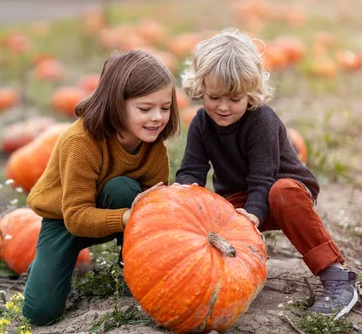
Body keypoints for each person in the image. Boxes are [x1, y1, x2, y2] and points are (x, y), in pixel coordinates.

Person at [174, 28, 358, 319]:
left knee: (281, 193)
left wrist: (254, 214)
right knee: (208, 222)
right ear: (200, 89)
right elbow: (191, 169)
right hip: (239, 196)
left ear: (251, 93)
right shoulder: (200, 121)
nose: (222, 107)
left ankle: (336, 276)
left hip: (284, 190)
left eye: (234, 99)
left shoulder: (261, 120)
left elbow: (262, 178)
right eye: (214, 97)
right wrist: (184, 197)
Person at [22, 49, 180, 326]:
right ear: (116, 104)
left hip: (115, 210)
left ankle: (131, 268)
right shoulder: (81, 142)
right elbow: (76, 217)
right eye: (145, 109)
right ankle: (50, 262)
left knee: (125, 190)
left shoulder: (155, 148)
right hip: (65, 220)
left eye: (165, 108)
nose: (157, 117)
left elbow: (156, 207)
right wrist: (125, 218)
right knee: (41, 312)